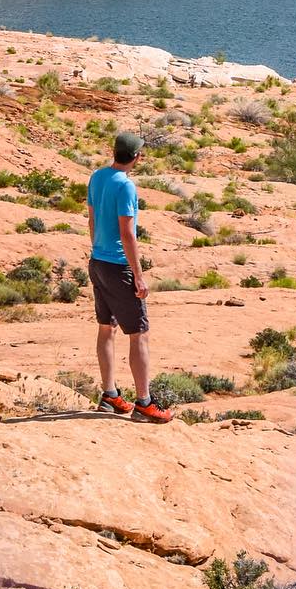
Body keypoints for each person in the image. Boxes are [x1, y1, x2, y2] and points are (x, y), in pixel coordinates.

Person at [87, 131, 172, 422]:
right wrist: (138, 275)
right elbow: (127, 233)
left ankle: (110, 396)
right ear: (136, 157)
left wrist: (96, 249)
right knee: (139, 334)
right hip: (118, 267)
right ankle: (144, 403)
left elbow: (92, 218)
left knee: (106, 328)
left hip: (97, 261)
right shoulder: (126, 187)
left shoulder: (97, 176)